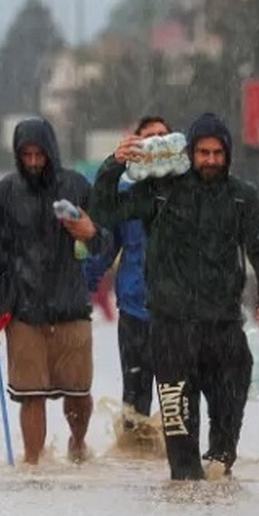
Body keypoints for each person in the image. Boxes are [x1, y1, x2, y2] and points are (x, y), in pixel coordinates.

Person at [90, 112, 259, 481]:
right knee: (182, 460)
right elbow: (104, 212)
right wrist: (113, 166)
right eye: (203, 152)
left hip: (225, 330)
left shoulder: (241, 197)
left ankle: (218, 504)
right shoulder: (161, 192)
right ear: (190, 152)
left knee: (223, 446)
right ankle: (186, 515)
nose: (210, 160)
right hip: (171, 333)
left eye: (217, 153)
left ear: (227, 154)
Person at [0, 117, 113, 465]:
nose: (34, 162)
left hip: (72, 307)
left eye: (40, 155)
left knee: (79, 393)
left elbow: (105, 244)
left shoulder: (78, 186)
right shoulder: (2, 196)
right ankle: (33, 465)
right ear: (18, 156)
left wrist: (89, 231)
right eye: (27, 155)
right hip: (23, 310)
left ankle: (78, 444)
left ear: (52, 152)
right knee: (30, 395)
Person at [83, 115, 172, 428]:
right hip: (135, 312)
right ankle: (135, 466)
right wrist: (80, 291)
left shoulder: (189, 191)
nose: (157, 142)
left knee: (177, 402)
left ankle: (181, 470)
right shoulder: (126, 195)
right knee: (135, 404)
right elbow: (105, 246)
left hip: (179, 315)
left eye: (164, 136)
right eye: (149, 138)